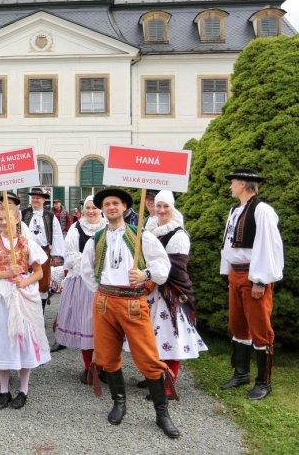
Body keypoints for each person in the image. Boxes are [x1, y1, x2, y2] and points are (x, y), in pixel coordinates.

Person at [80, 188, 180, 439]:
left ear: (125, 207)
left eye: (116, 203)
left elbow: (162, 265)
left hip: (133, 303)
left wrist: (144, 275)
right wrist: (101, 289)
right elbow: (86, 270)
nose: (111, 207)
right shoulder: (97, 238)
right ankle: (119, 402)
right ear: (102, 209)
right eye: (107, 204)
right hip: (104, 302)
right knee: (108, 356)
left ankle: (162, 414)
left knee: (148, 357)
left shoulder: (140, 236)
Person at [0, 206, 50, 409]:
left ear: (17, 219)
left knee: (23, 340)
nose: (4, 222)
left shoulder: (27, 244)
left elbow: (39, 272)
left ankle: (23, 390)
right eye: (0, 218)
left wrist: (25, 282)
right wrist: (7, 272)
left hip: (23, 295)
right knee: (3, 341)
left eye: (8, 218)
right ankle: (4, 390)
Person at [136, 190, 207, 399]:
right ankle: (155, 375)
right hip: (151, 291)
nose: (161, 210)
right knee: (151, 339)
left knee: (170, 338)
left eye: (165, 206)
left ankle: (168, 386)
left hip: (170, 293)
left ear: (172, 208)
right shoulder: (150, 230)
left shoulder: (178, 235)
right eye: (158, 206)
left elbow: (173, 270)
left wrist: (149, 277)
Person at [219, 169, 283, 400]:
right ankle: (241, 373)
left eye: (233, 182)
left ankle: (263, 382)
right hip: (237, 276)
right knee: (238, 325)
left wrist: (260, 280)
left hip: (253, 276)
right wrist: (227, 273)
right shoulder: (235, 211)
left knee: (260, 329)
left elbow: (267, 246)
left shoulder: (262, 210)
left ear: (244, 185)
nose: (230, 187)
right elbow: (229, 245)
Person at [54, 196, 107, 384]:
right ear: (83, 210)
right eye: (87, 208)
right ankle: (88, 367)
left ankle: (103, 367)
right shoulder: (75, 229)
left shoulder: (108, 227)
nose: (91, 211)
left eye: (94, 208)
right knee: (87, 325)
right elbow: (69, 255)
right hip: (81, 283)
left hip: (105, 284)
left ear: (100, 209)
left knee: (105, 328)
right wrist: (91, 265)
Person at [21, 187, 64, 311]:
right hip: (26, 254)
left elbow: (56, 235)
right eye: (33, 197)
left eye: (38, 198)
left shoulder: (50, 216)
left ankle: (40, 313)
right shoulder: (23, 213)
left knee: (43, 284)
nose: (35, 200)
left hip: (43, 253)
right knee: (25, 281)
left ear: (44, 200)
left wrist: (56, 255)